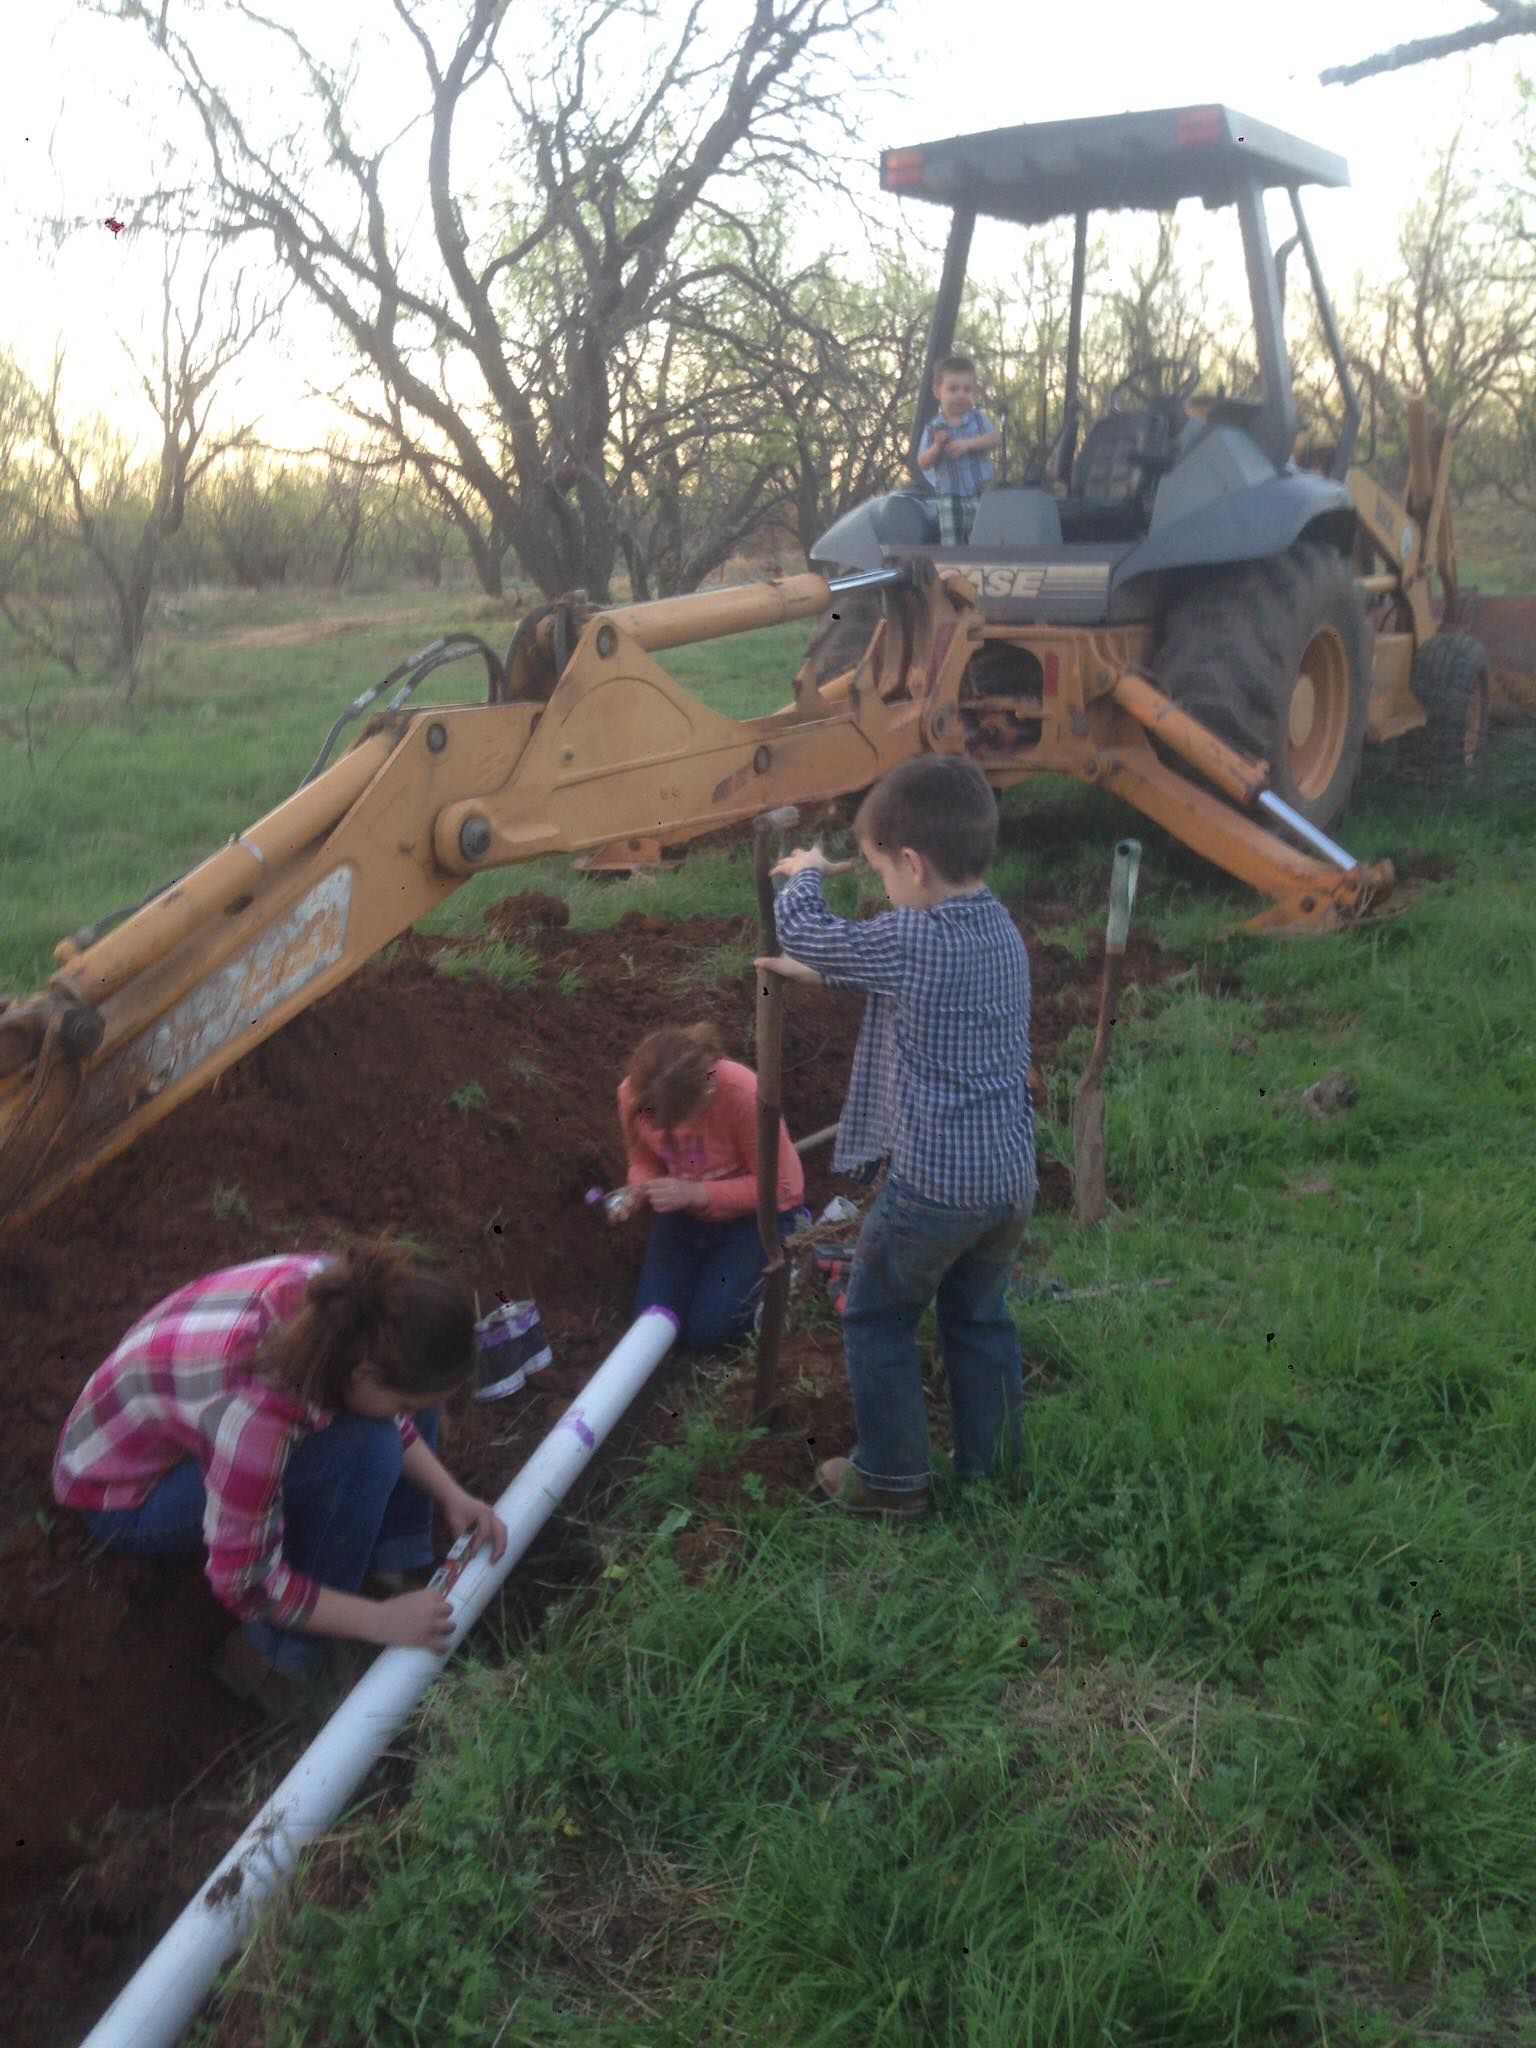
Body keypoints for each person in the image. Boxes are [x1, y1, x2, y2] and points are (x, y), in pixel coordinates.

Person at [52, 1244, 508, 1716]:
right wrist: (379, 1622)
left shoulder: (354, 1309)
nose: (408, 1418)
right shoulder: (255, 1414)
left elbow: (390, 1413)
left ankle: (393, 1563)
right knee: (365, 1452)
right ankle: (273, 1660)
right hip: (125, 1497)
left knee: (388, 1417)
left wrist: (452, 1495)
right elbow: (247, 1581)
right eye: (406, 1408)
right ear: (364, 1374)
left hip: (183, 1419)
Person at [756, 756, 1035, 1518]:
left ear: (912, 865)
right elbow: (890, 981)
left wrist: (807, 870)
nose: (881, 888)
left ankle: (891, 1481)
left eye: (881, 871)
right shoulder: (999, 930)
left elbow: (804, 931)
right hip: (1009, 1181)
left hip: (935, 1192)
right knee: (978, 1317)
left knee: (877, 1315)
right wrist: (830, 972)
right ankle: (995, 1469)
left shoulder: (912, 942)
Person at [611, 1021, 808, 1351]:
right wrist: (640, 1188)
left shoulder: (743, 1094)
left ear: (703, 1097)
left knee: (708, 1332)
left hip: (756, 1219)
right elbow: (642, 1161)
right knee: (650, 1326)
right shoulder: (634, 1096)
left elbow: (783, 1186)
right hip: (687, 1215)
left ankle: (794, 1265)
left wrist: (699, 1193)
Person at [915, 354, 1002, 546]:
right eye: (953, 389)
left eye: (967, 389)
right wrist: (937, 447)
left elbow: (995, 439)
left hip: (980, 494)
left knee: (983, 541)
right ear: (938, 391)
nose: (961, 395)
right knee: (952, 545)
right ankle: (955, 574)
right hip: (949, 497)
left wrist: (968, 443)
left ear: (974, 393)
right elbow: (922, 462)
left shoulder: (978, 420)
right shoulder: (933, 427)